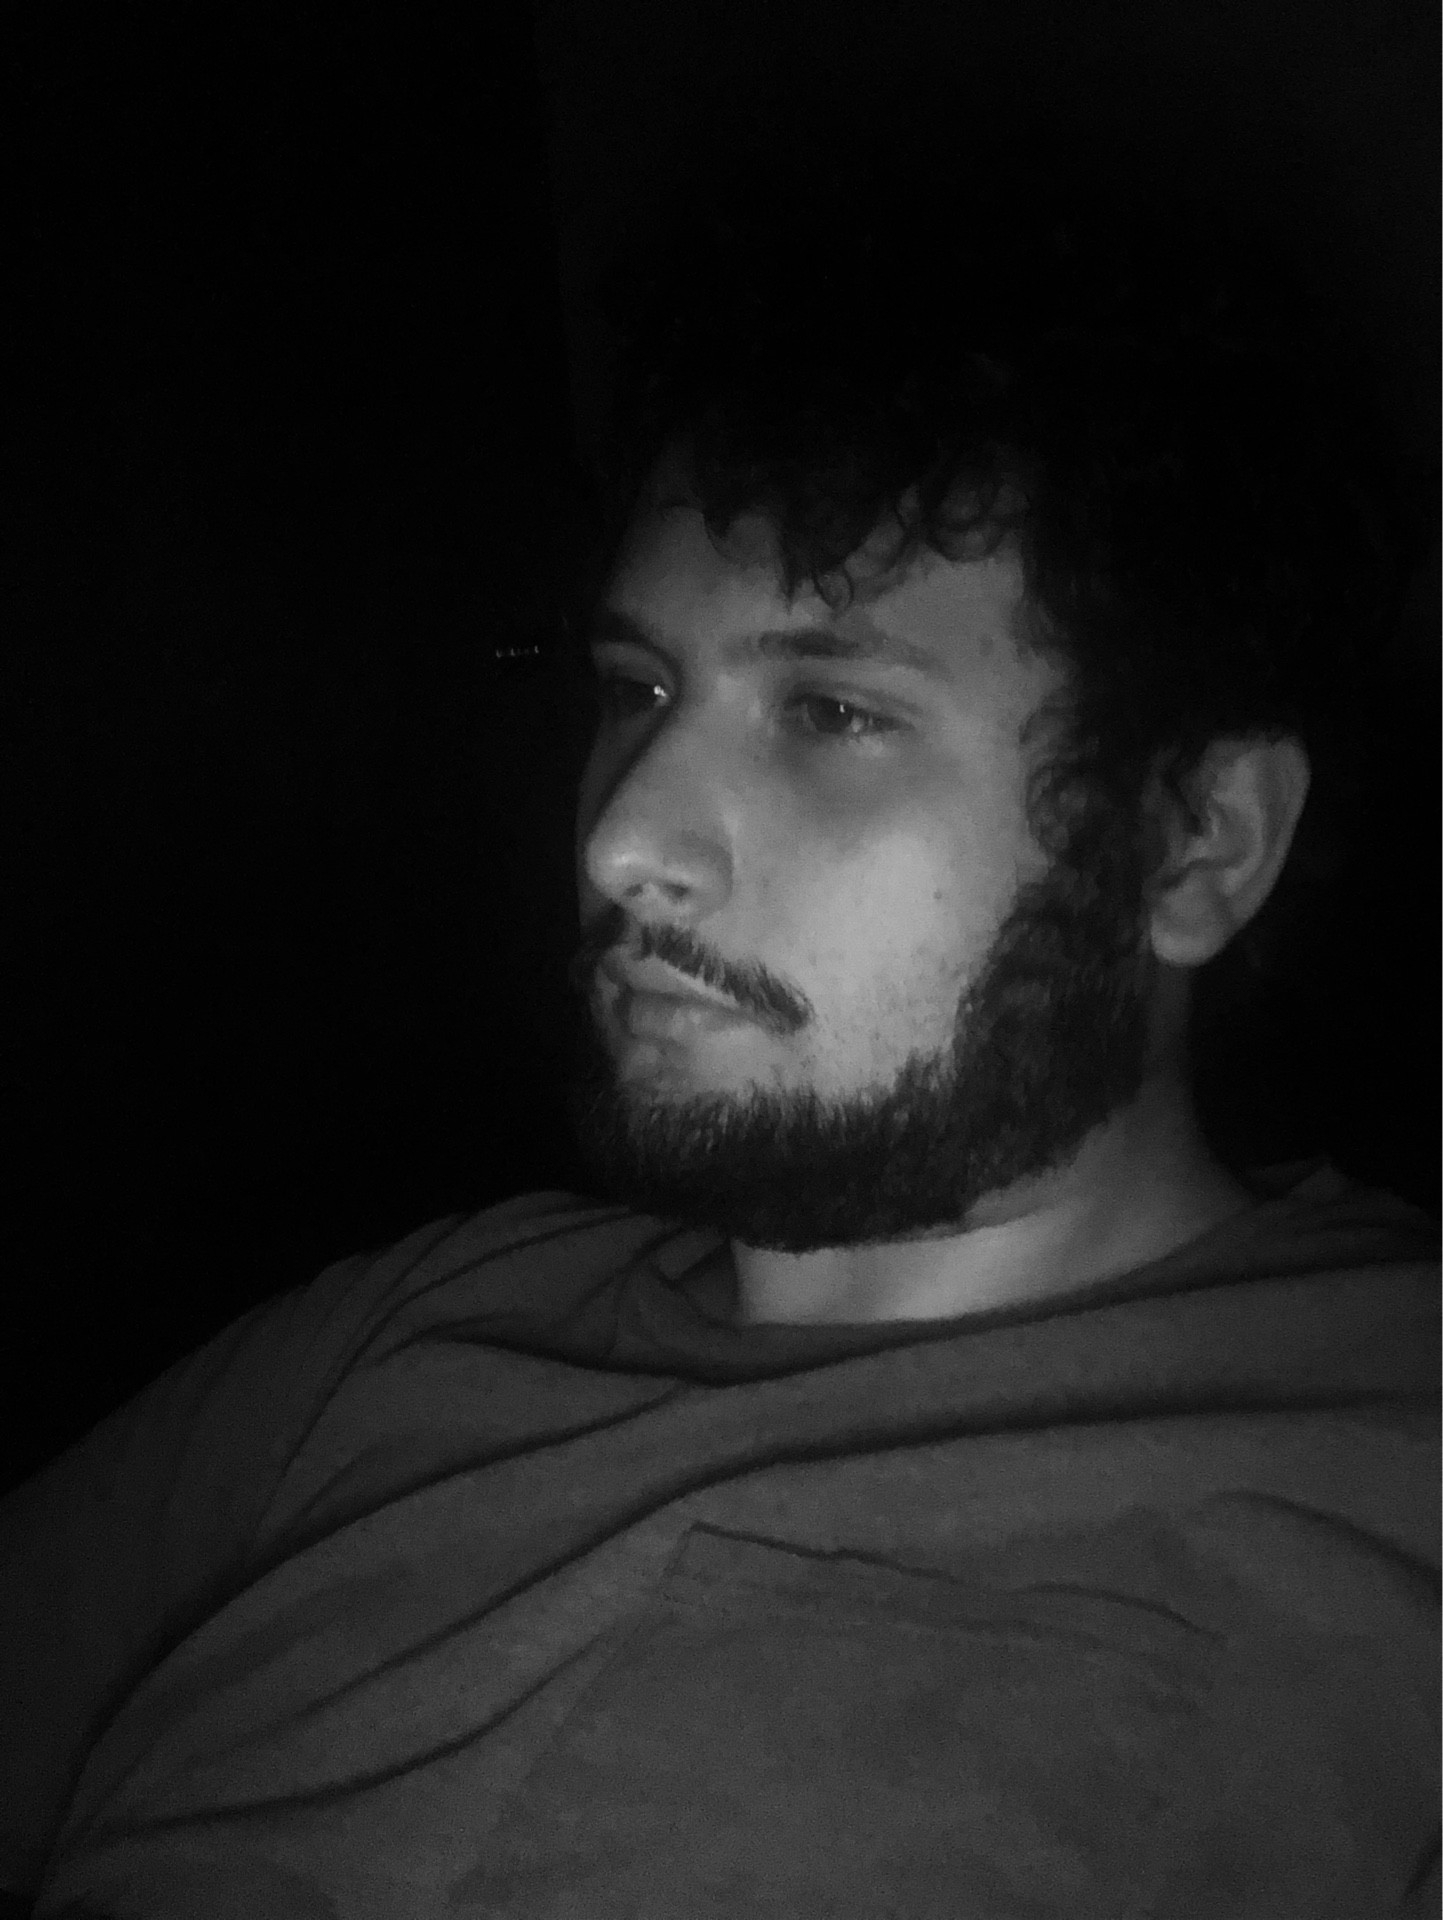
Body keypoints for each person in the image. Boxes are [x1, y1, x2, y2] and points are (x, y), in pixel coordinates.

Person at [2, 164, 1437, 1919]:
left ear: (1195, 844)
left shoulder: (1391, 1473)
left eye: (831, 711)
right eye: (638, 691)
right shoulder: (404, 1330)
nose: (622, 840)